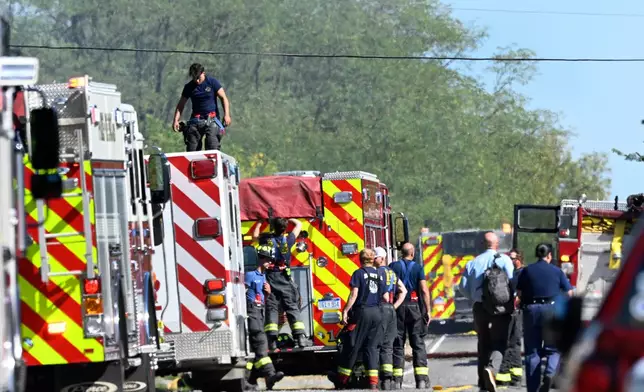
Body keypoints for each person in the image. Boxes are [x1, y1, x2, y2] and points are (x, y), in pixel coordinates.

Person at [459, 231, 514, 392]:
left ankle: (482, 383)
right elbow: (512, 282)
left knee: (483, 343)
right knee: (499, 342)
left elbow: (462, 287)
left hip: (480, 308)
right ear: (497, 244)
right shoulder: (504, 260)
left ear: (483, 244)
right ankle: (492, 369)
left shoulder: (473, 263)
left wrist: (474, 298)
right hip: (500, 308)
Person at [517, 243, 573, 392]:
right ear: (549, 256)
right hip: (552, 309)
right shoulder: (557, 271)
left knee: (532, 352)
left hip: (532, 310)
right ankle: (549, 373)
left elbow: (519, 293)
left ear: (537, 255)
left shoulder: (527, 271)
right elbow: (569, 294)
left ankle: (533, 389)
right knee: (553, 349)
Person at [328, 248, 387, 390]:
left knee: (352, 346)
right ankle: (373, 383)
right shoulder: (380, 274)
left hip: (363, 312)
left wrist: (346, 310)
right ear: (373, 259)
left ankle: (342, 380)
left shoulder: (358, 274)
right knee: (372, 348)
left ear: (360, 260)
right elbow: (384, 296)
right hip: (378, 313)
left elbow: (354, 294)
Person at [252, 217, 309, 348]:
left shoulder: (266, 239)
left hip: (269, 278)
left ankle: (271, 342)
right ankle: (300, 337)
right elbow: (299, 224)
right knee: (291, 307)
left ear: (272, 227)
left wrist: (260, 222)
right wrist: (290, 218)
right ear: (284, 229)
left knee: (271, 308)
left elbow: (255, 236)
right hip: (284, 278)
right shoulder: (287, 240)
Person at [389, 242, 431, 389]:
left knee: (398, 344)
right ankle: (421, 379)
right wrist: (428, 310)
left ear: (401, 252)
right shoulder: (418, 268)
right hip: (414, 308)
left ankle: (397, 380)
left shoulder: (393, 266)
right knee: (418, 344)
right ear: (412, 253)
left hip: (398, 307)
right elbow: (424, 290)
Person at [244, 245, 285, 390]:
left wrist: (267, 293)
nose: (270, 262)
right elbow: (242, 294)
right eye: (267, 259)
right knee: (261, 342)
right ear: (261, 259)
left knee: (252, 352)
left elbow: (262, 299)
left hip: (259, 312)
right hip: (251, 311)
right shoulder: (250, 275)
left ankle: (247, 381)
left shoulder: (263, 277)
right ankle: (270, 374)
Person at [173, 63, 231, 151]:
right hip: (196, 121)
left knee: (212, 143)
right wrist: (175, 120)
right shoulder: (189, 87)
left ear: (203, 73)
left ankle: (212, 163)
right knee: (192, 147)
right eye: (194, 78)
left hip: (212, 119)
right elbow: (180, 105)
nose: (196, 81)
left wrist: (227, 115)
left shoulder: (212, 82)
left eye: (198, 78)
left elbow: (224, 98)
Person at [374, 246, 407, 390]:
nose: (373, 259)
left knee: (379, 344)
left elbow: (385, 294)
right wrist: (394, 306)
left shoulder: (378, 272)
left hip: (381, 309)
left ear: (382, 258)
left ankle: (383, 378)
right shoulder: (391, 272)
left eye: (375, 257)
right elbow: (403, 290)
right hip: (391, 312)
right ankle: (389, 379)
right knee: (389, 344)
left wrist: (386, 303)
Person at [496, 248, 525, 386]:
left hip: (517, 311)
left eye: (512, 258)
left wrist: (516, 303)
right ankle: (513, 375)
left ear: (519, 259)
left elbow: (521, 293)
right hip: (508, 311)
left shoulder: (522, 273)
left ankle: (509, 374)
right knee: (511, 342)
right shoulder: (509, 273)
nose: (510, 260)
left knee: (513, 342)